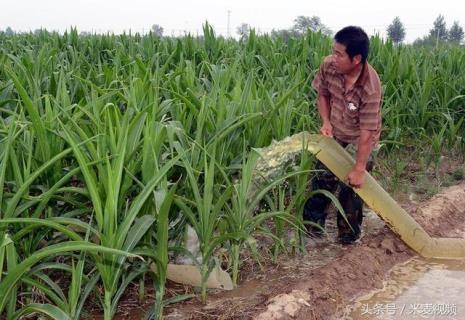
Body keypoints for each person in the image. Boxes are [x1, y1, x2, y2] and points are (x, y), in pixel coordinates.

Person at [303, 26, 382, 244]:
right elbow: (323, 94)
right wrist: (326, 122)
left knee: (352, 188)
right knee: (321, 178)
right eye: (333, 51)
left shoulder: (370, 87)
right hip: (336, 129)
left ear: (356, 58)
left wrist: (358, 168)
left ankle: (347, 239)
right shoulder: (329, 66)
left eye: (339, 54)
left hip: (361, 138)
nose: (333, 57)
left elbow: (367, 131)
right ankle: (311, 232)